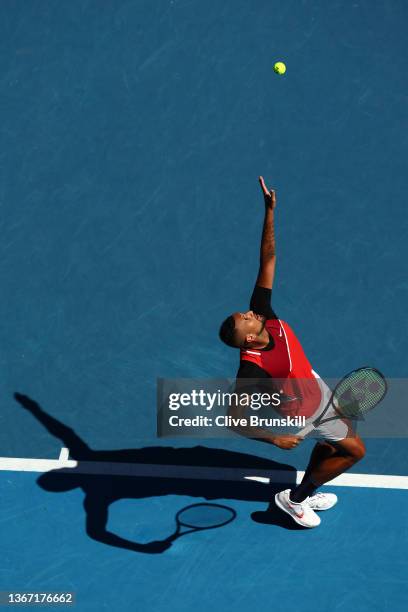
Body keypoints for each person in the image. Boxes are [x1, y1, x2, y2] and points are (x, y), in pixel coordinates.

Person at [219, 177, 366, 528]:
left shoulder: (264, 314)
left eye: (248, 313)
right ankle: (295, 500)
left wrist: (269, 212)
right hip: (304, 412)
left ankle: (303, 490)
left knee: (335, 446)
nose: (252, 313)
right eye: (248, 320)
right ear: (249, 341)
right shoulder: (252, 370)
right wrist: (273, 438)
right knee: (354, 451)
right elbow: (234, 419)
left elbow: (267, 259)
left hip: (314, 387)